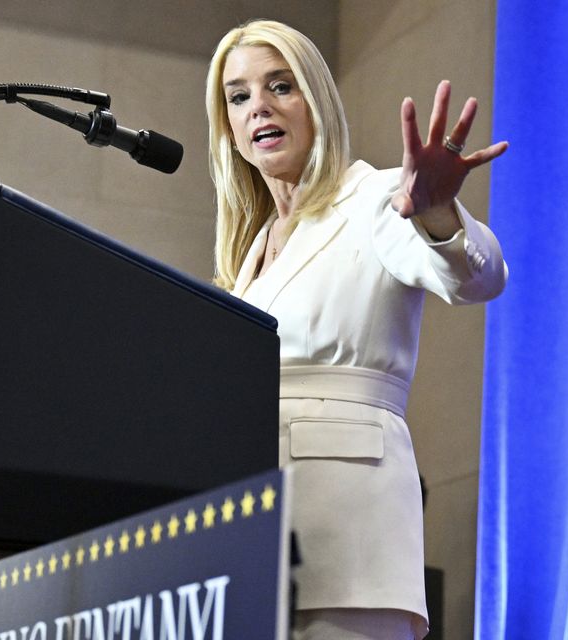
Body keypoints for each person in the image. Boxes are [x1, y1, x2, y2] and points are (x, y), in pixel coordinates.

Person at [205, 20, 508, 640]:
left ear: (315, 99)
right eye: (239, 97)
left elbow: (479, 278)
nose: (258, 105)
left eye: (279, 86)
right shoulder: (249, 255)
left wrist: (437, 211)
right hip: (252, 535)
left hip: (348, 537)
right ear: (230, 131)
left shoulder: (375, 198)